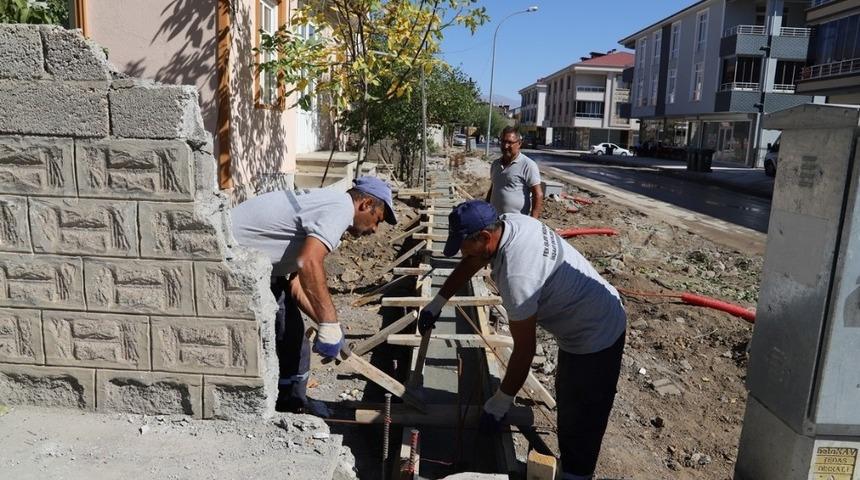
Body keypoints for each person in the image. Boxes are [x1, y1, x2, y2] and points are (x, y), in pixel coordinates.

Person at [418, 200, 626, 480]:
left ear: (484, 237)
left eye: (464, 245)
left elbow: (524, 351)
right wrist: (438, 301)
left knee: (583, 419)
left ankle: (576, 474)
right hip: (583, 321)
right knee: (569, 401)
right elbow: (473, 260)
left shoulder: (518, 277)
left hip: (597, 335)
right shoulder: (510, 223)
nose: (462, 253)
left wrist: (502, 401)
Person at [231, 176, 397, 413]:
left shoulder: (328, 206)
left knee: (294, 337)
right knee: (272, 341)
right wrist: (329, 322)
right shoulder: (340, 207)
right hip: (230, 267)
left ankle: (291, 403)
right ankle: (286, 406)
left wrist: (329, 325)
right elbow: (309, 262)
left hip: (256, 269)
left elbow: (297, 284)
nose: (374, 229)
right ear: (366, 204)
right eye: (377, 220)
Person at [486, 126, 544, 218]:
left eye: (510, 142)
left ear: (519, 144)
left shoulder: (528, 165)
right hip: (495, 221)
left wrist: (533, 221)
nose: (505, 146)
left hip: (516, 223)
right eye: (503, 141)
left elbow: (538, 194)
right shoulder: (495, 164)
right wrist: (486, 209)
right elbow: (493, 187)